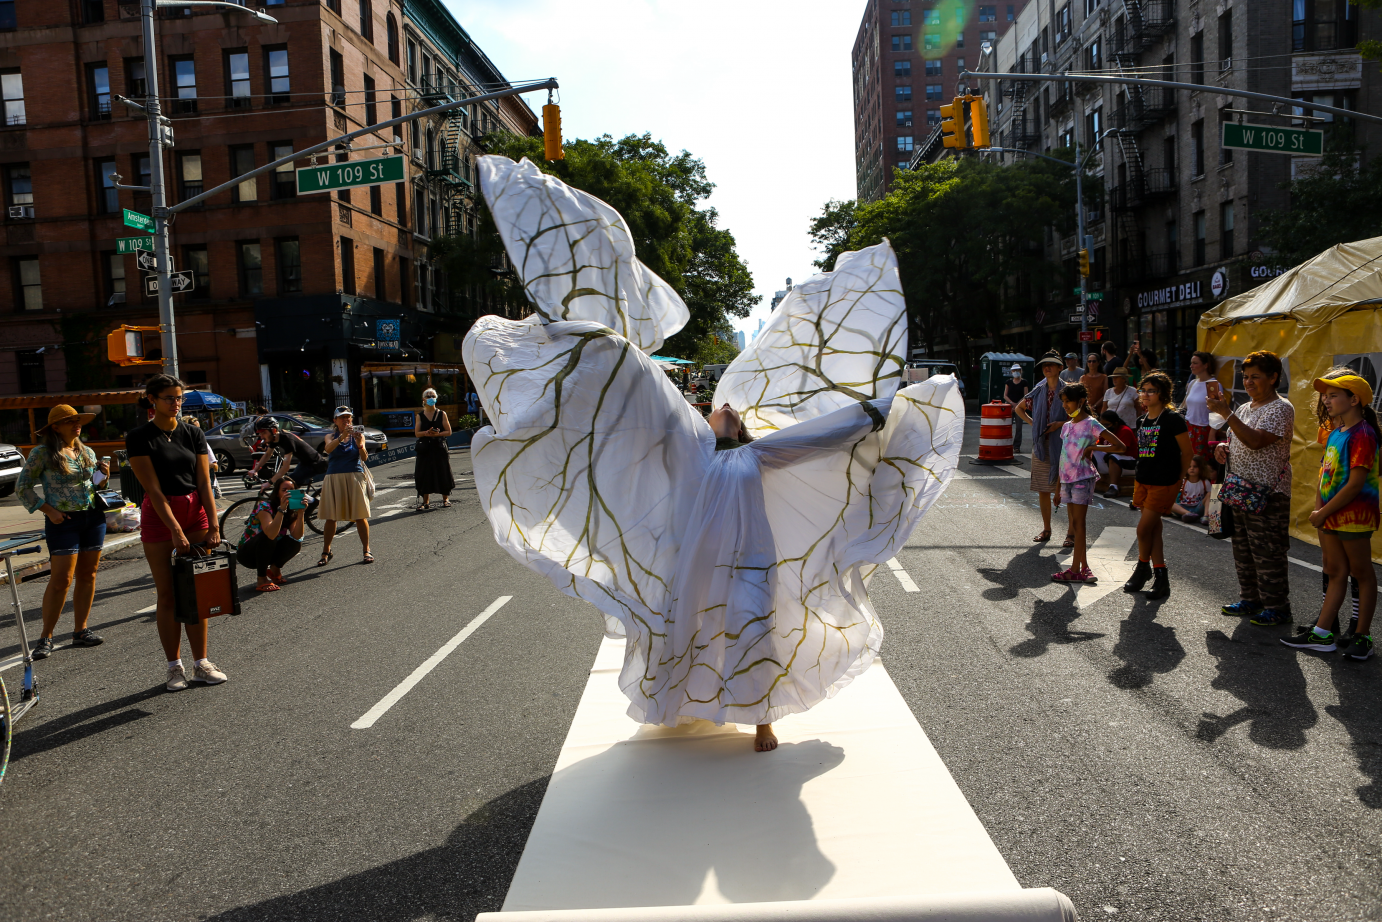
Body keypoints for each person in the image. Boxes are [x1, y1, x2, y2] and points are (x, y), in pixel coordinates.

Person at [125, 374, 227, 692]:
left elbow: (204, 483)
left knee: (197, 591)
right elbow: (153, 490)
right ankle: (174, 667)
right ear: (152, 400)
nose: (176, 403)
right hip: (160, 517)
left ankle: (201, 663)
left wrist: (213, 524)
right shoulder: (140, 437)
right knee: (168, 594)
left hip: (194, 512)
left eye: (179, 398)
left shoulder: (193, 433)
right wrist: (175, 530)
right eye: (169, 397)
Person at [1281, 372, 1378, 659]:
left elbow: (1356, 484)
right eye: (1326, 395)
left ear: (1354, 399)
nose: (1326, 400)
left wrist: (1323, 511)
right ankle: (1322, 634)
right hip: (1330, 516)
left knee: (1362, 574)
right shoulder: (1336, 433)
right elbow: (1327, 474)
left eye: (1333, 395)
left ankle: (1362, 636)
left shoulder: (1364, 434)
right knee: (1335, 572)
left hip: (1353, 516)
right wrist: (1319, 509)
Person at [1206, 350, 1296, 626]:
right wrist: (1223, 447)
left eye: (1255, 377)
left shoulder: (1281, 408)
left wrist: (1226, 413)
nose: (1248, 382)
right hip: (1238, 491)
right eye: (1245, 377)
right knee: (1242, 549)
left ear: (1273, 378)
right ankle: (1250, 599)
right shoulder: (1245, 408)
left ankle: (1277, 607)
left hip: (1268, 493)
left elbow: (1257, 441)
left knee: (1267, 552)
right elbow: (1239, 441)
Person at [17, 405, 110, 658]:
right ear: (55, 427)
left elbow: (92, 486)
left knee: (88, 575)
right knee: (61, 580)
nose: (76, 424)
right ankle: (46, 636)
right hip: (62, 521)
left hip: (93, 518)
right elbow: (22, 487)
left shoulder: (86, 451)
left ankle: (81, 630)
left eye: (77, 420)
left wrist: (103, 477)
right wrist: (48, 510)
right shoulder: (42, 453)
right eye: (69, 421)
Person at [1122, 371, 1191, 601]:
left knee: (1143, 529)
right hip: (1143, 479)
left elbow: (1188, 452)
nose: (1146, 395)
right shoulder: (1142, 420)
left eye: (1151, 391)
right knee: (1153, 528)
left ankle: (1143, 568)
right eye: (1144, 390)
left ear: (1162, 394)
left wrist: (1179, 480)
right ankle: (1160, 577)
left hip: (1164, 481)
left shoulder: (1172, 419)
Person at [1052, 385, 1125, 583]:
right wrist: (1057, 488)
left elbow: (1120, 446)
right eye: (1063, 401)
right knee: (1075, 523)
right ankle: (1084, 568)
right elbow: (1063, 457)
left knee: (1079, 524)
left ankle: (1075, 570)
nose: (1065, 405)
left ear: (1081, 401)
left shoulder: (1092, 423)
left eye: (1068, 401)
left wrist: (1093, 446)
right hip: (1066, 480)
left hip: (1082, 478)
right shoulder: (1067, 426)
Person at [1012, 353, 1072, 545]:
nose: (1047, 368)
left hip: (1064, 443)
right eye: (1044, 365)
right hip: (1041, 443)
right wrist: (1033, 423)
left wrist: (1060, 424)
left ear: (1060, 367)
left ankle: (1071, 533)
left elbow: (1080, 417)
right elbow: (1019, 408)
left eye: (1052, 365)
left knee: (1067, 490)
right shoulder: (1038, 389)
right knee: (1042, 489)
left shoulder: (1068, 390)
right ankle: (1046, 529)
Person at [317, 406, 373, 566]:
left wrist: (359, 443)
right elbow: (328, 449)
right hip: (334, 477)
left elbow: (365, 457)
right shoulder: (330, 436)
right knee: (331, 516)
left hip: (354, 475)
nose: (346, 420)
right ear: (335, 421)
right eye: (342, 418)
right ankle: (326, 550)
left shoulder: (358, 436)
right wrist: (342, 437)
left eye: (348, 417)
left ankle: (366, 549)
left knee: (360, 515)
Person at [236, 477, 305, 592]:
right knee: (268, 537)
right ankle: (261, 578)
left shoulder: (291, 510)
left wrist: (301, 513)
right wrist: (281, 510)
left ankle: (275, 569)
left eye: (291, 490)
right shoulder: (265, 506)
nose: (288, 493)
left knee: (294, 542)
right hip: (248, 553)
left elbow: (297, 536)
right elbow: (270, 533)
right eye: (284, 490)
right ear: (277, 492)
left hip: (268, 551)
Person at [413, 387, 454, 509]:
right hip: (425, 449)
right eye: (428, 396)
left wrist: (438, 434)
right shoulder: (420, 416)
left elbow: (449, 431)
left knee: (443, 471)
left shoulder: (442, 414)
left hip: (439, 447)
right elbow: (417, 433)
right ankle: (426, 502)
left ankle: (445, 499)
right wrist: (426, 433)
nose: (431, 398)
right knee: (424, 473)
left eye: (433, 396)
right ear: (423, 399)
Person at [253, 416, 321, 488]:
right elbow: (267, 454)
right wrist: (255, 470)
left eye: (264, 433)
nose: (261, 437)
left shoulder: (287, 440)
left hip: (314, 464)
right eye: (260, 433)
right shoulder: (275, 437)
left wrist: (269, 483)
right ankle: (299, 497)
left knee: (286, 484)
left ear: (273, 430)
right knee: (288, 486)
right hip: (305, 463)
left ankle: (309, 500)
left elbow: (285, 467)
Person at [1093, 410, 1137, 496]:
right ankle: (1091, 479)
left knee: (1113, 456)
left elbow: (1121, 450)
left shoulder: (1124, 430)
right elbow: (1099, 444)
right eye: (1102, 425)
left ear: (1115, 423)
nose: (1104, 427)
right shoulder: (1105, 433)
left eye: (1107, 425)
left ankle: (1113, 487)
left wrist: (1104, 450)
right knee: (1091, 452)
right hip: (1111, 461)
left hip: (1129, 463)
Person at [1183, 351, 1217, 458]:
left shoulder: (1212, 385)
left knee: (1201, 463)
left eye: (1195, 363)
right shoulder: (1192, 383)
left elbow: (1218, 412)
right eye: (1191, 363)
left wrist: (1212, 434)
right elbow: (1184, 405)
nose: (1191, 366)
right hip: (1188, 428)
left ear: (1206, 365)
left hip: (1203, 430)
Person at [1170, 455, 1212, 523]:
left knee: (1210, 494)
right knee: (1169, 503)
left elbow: (1210, 498)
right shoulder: (1182, 482)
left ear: (1201, 468)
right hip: (1183, 507)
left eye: (1195, 466)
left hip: (1198, 508)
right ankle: (1189, 514)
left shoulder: (1205, 482)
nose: (1192, 468)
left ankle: (1206, 516)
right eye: (1189, 466)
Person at [1102, 366, 1138, 431]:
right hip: (1112, 427)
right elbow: (1104, 409)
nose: (1114, 379)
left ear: (1124, 379)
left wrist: (1138, 425)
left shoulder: (1133, 391)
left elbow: (1138, 409)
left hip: (1129, 426)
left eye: (1117, 377)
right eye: (1113, 377)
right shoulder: (1108, 392)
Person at [1003, 363, 1028, 453]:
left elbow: (1026, 396)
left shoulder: (1024, 382)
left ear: (1021, 371)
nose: (1016, 372)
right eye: (1014, 371)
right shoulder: (1009, 382)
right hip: (1009, 406)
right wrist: (1012, 403)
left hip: (1020, 406)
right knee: (1007, 426)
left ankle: (1016, 446)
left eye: (1017, 370)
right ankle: (1006, 445)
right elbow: (1005, 395)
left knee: (1018, 427)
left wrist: (1018, 405)